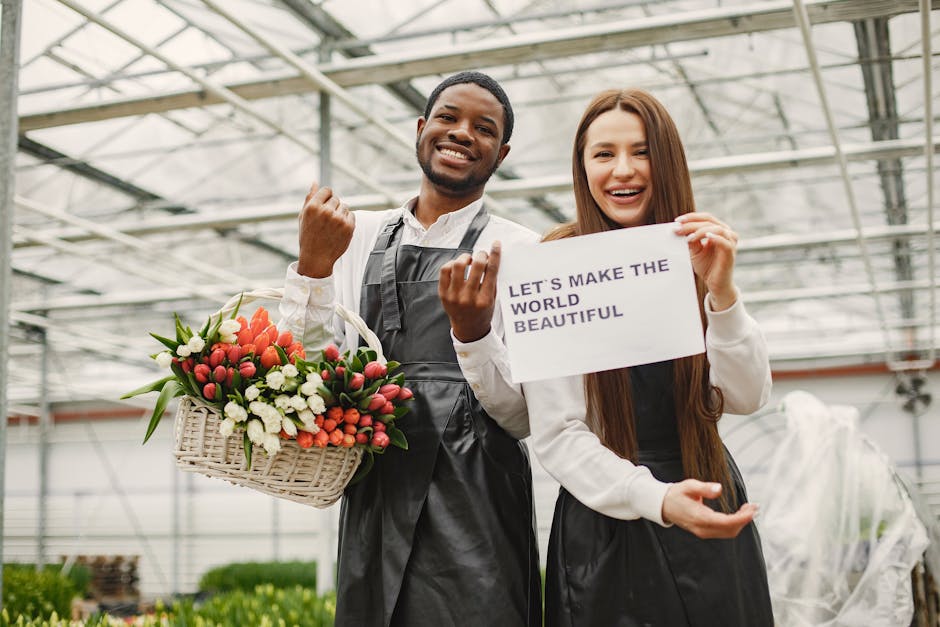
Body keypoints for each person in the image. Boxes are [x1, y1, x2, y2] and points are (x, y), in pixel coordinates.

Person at [455, 88, 775, 625]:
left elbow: (745, 395)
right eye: (603, 154)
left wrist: (722, 294)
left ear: (668, 159)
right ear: (583, 168)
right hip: (607, 522)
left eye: (642, 151)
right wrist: (656, 498)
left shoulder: (695, 250)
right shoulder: (556, 266)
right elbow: (557, 432)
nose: (623, 170)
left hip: (707, 497)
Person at [278, 71, 542, 627]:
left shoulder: (519, 251)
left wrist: (473, 334)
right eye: (448, 117)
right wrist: (313, 266)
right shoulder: (354, 235)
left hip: (479, 494)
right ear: (422, 128)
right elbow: (309, 372)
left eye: (484, 127)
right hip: (380, 486)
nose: (462, 132)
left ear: (502, 152)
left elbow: (523, 416)